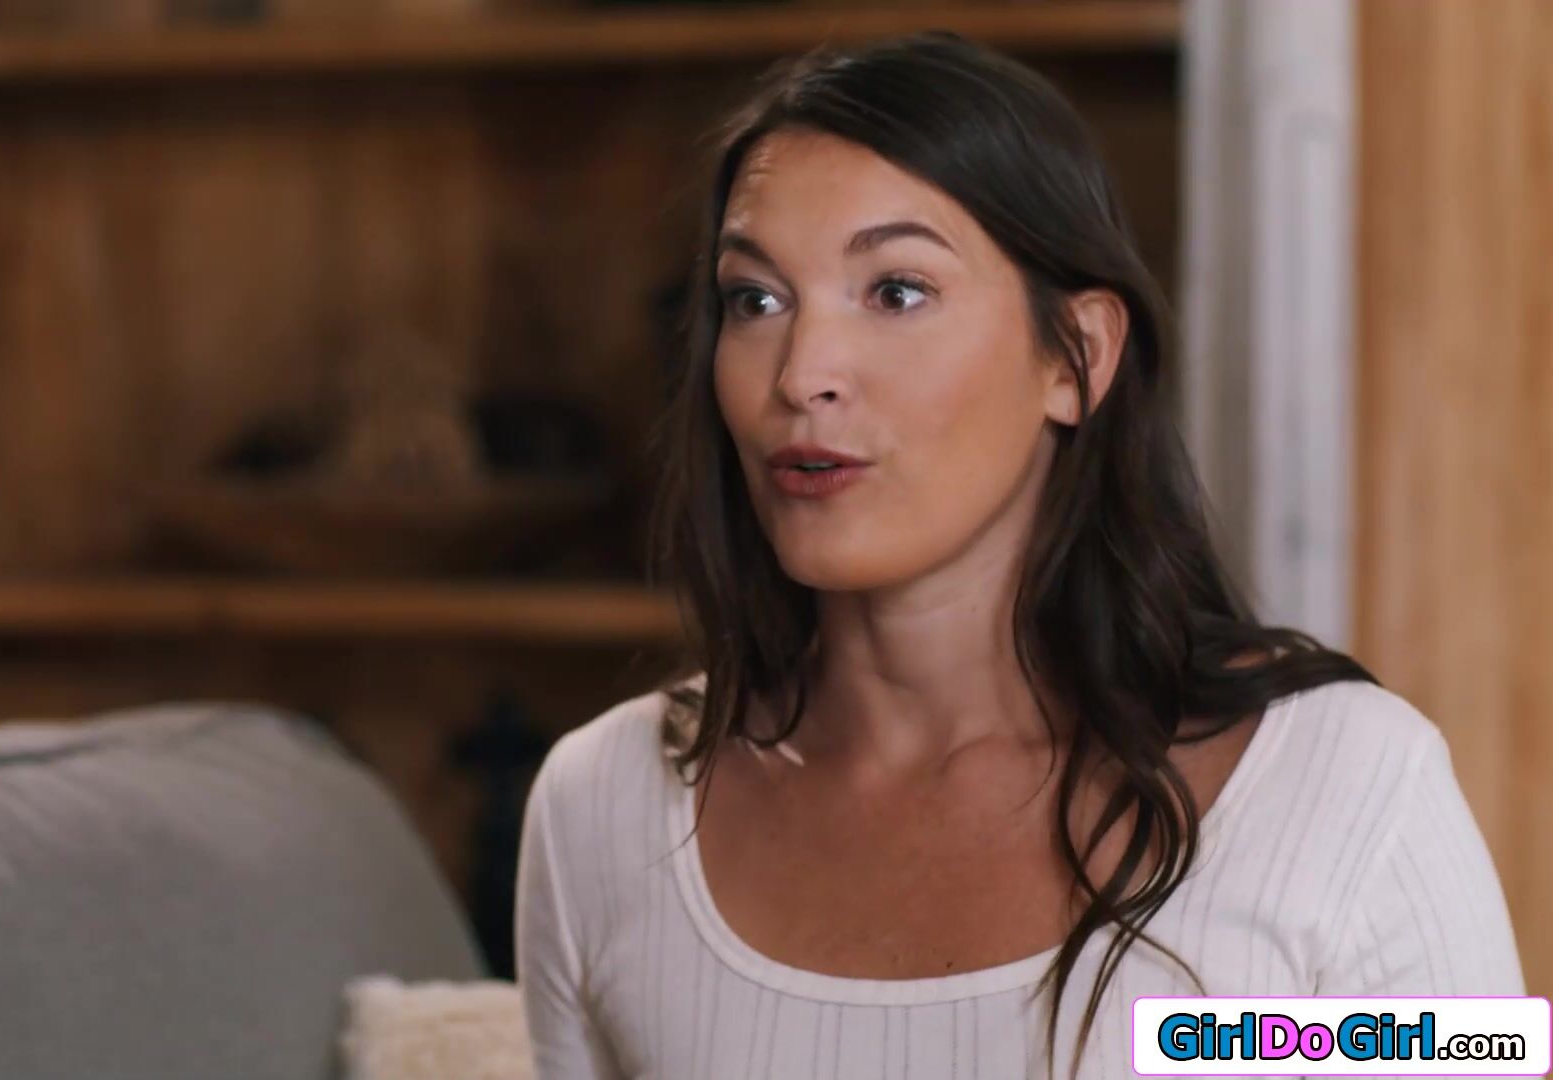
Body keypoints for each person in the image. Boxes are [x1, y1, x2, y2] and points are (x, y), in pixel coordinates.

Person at [514, 32, 1524, 1079]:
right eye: (754, 300)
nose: (801, 373)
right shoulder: (599, 806)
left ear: (1076, 356)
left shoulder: (1344, 785)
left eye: (895, 291)